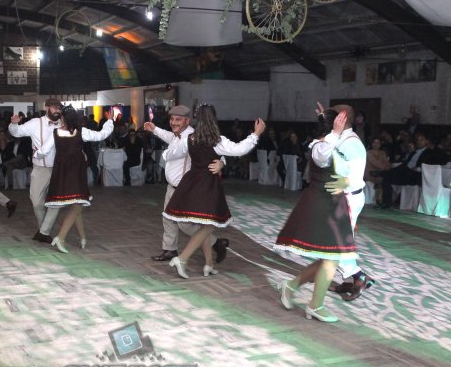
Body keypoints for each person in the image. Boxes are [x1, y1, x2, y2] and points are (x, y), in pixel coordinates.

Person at [161, 105, 265, 278]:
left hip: (192, 183)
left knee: (205, 225)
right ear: (213, 119)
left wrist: (166, 155)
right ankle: (183, 258)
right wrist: (256, 134)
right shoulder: (216, 140)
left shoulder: (191, 139)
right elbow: (239, 149)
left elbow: (174, 153)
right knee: (209, 225)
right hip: (207, 185)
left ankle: (209, 263)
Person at [276, 109, 354, 323]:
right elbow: (322, 159)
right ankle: (315, 305)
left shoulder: (336, 144)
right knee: (331, 256)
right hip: (321, 204)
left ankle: (293, 286)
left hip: (335, 205)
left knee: (329, 257)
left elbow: (349, 172)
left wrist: (347, 181)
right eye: (341, 124)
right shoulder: (320, 146)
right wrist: (334, 133)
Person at [144, 105, 230, 265]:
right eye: (172, 119)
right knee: (168, 218)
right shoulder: (177, 135)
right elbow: (169, 136)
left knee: (185, 224)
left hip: (186, 190)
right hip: (172, 187)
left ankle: (215, 243)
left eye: (178, 119)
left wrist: (222, 163)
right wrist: (154, 129)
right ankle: (169, 250)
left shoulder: (194, 137)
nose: (173, 122)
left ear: (187, 121)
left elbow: (217, 152)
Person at [312, 104, 374, 301]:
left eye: (332, 115)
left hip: (348, 197)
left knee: (337, 242)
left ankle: (359, 277)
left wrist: (344, 182)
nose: (329, 117)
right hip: (341, 197)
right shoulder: (339, 136)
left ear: (342, 119)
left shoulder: (352, 143)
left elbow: (355, 175)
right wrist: (324, 119)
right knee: (337, 240)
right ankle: (351, 278)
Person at [35, 105, 117, 253]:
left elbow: (44, 150)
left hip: (62, 173)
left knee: (76, 205)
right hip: (75, 173)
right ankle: (60, 238)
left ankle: (83, 237)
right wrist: (109, 121)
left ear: (63, 118)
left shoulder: (57, 133)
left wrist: (36, 154)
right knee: (78, 205)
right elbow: (102, 135)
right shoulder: (81, 132)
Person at [8, 98, 64, 243]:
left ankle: (44, 231)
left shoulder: (64, 123)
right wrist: (14, 124)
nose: (57, 111)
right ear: (47, 107)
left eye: (59, 108)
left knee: (57, 201)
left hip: (59, 168)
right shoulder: (35, 123)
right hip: (40, 168)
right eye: (54, 107)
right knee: (36, 201)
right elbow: (17, 132)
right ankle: (42, 229)